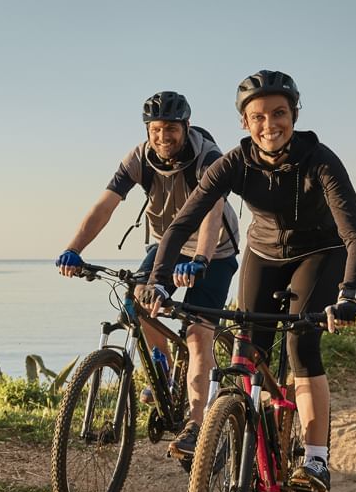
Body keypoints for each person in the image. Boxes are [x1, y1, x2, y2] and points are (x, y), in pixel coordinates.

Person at [144, 70, 356, 492]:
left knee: (300, 347)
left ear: (294, 114)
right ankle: (248, 432)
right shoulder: (234, 162)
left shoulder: (320, 159)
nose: (270, 125)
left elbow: (355, 235)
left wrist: (349, 294)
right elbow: (182, 222)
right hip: (263, 254)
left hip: (318, 254)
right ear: (245, 123)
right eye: (258, 117)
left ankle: (316, 459)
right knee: (245, 352)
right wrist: (158, 281)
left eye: (279, 113)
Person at [56, 91, 240, 442]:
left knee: (198, 334)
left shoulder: (208, 157)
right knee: (136, 304)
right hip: (165, 249)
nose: (162, 137)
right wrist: (73, 249)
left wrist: (200, 258)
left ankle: (196, 428)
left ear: (186, 126)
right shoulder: (139, 158)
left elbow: (212, 212)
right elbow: (104, 206)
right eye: (155, 129)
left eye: (170, 128)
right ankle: (164, 368)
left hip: (213, 252)